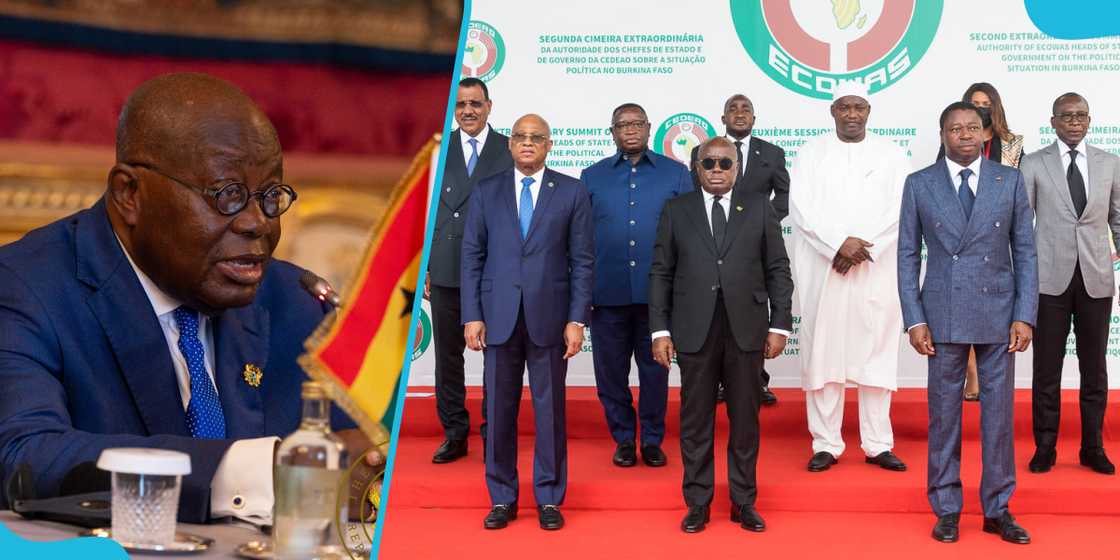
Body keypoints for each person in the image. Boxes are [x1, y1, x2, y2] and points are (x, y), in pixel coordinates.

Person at [0, 73, 374, 525]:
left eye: (270, 196)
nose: (258, 223)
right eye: (227, 195)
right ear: (129, 194)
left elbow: (356, 457)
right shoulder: (25, 287)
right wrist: (264, 473)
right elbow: (23, 456)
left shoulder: (295, 302)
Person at [899, 101, 1037, 545]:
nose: (964, 135)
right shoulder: (920, 184)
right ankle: (947, 508)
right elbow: (906, 256)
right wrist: (914, 319)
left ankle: (998, 508)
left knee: (998, 418)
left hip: (998, 313)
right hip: (941, 314)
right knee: (944, 418)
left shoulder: (1009, 180)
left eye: (972, 128)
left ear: (985, 134)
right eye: (955, 129)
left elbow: (1026, 252)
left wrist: (1024, 315)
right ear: (942, 135)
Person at [650, 137, 793, 534]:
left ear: (737, 168)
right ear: (697, 168)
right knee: (695, 421)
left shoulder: (760, 208)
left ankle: (743, 502)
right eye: (708, 163)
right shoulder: (677, 210)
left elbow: (778, 269)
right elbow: (661, 271)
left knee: (745, 420)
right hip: (693, 331)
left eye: (724, 163)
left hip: (746, 330)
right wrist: (660, 329)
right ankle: (697, 503)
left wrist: (780, 323)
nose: (716, 170)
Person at [460, 113, 594, 531]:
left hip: (550, 320)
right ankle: (502, 497)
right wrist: (472, 315)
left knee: (549, 411)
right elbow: (471, 256)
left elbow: (583, 262)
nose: (528, 143)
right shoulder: (486, 191)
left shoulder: (571, 192)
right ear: (510, 144)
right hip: (497, 318)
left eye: (537, 138)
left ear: (549, 145)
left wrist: (577, 319)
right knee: (498, 412)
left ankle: (550, 498)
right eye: (520, 137)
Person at [788, 81, 911, 474]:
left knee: (875, 352)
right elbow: (801, 210)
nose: (852, 114)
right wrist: (837, 246)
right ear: (833, 112)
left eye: (859, 107)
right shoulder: (811, 153)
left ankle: (878, 443)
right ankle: (825, 442)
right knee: (825, 353)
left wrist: (861, 247)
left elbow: (901, 210)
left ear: (868, 112)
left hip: (875, 268)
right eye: (844, 107)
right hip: (825, 269)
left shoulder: (892, 154)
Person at [581, 103, 690, 468]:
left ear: (649, 128)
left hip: (657, 296)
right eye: (622, 125)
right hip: (606, 294)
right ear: (612, 132)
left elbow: (689, 236)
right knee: (609, 374)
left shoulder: (675, 174)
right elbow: (580, 238)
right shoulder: (591, 177)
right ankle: (624, 439)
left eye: (637, 123)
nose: (630, 130)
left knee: (655, 372)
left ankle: (653, 439)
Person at [1023, 92, 1118, 476]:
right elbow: (1020, 226)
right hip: (1049, 280)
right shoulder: (1033, 164)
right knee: (1047, 369)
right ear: (1054, 121)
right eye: (1067, 116)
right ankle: (1045, 446)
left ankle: (1092, 447)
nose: (1074, 122)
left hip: (1096, 279)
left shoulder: (1110, 164)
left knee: (1094, 368)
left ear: (1090, 120)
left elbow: (1117, 217)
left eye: (1081, 116)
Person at [426, 77, 513, 464]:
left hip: (495, 270)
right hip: (446, 267)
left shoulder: (509, 148)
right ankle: (454, 433)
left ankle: (494, 432)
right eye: (460, 105)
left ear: (489, 106)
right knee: (448, 357)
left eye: (475, 103)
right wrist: (426, 265)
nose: (468, 111)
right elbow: (423, 213)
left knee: (497, 355)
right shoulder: (436, 151)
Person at [690, 94, 788, 406]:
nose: (740, 113)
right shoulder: (704, 152)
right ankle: (718, 382)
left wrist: (759, 225)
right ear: (723, 118)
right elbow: (695, 200)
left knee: (750, 314)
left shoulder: (772, 153)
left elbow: (784, 197)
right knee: (715, 310)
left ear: (754, 119)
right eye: (733, 108)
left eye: (746, 108)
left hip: (753, 248)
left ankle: (756, 382)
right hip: (712, 245)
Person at [939, 83, 1025, 400]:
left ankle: (984, 377)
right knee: (962, 312)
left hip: (996, 235)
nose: (981, 107)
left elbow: (1020, 190)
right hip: (959, 241)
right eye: (975, 103)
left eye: (986, 103)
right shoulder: (951, 142)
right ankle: (971, 375)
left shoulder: (1013, 144)